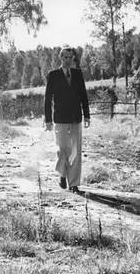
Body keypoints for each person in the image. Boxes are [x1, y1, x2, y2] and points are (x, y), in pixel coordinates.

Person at [44, 46, 90, 193]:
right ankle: (62, 174)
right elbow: (47, 98)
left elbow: (83, 95)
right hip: (60, 118)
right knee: (62, 149)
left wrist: (87, 114)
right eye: (65, 57)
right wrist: (48, 119)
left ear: (73, 59)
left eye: (70, 57)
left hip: (76, 117)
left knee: (76, 151)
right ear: (60, 58)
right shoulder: (53, 75)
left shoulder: (77, 74)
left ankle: (74, 184)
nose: (68, 60)